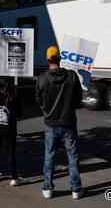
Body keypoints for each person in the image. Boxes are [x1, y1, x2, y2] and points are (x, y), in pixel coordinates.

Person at [36, 46, 83, 200]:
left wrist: (47, 111)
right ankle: (75, 189)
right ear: (60, 58)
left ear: (48, 59)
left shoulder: (42, 78)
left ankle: (47, 188)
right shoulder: (72, 76)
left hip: (51, 123)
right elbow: (78, 100)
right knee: (73, 156)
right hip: (68, 122)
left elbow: (39, 101)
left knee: (49, 156)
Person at [0, 78, 21, 186]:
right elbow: (20, 113)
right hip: (9, 130)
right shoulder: (13, 99)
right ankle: (14, 177)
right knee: (11, 154)